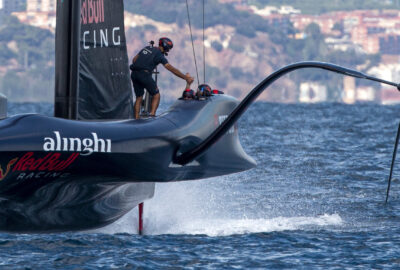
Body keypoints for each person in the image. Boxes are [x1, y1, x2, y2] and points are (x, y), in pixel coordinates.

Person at [130, 37, 194, 119]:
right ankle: (152, 116)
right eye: (169, 49)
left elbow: (134, 59)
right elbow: (171, 69)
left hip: (134, 74)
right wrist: (185, 78)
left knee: (139, 97)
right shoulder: (160, 56)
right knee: (156, 95)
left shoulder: (147, 48)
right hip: (144, 75)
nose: (168, 51)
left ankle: (136, 118)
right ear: (166, 47)